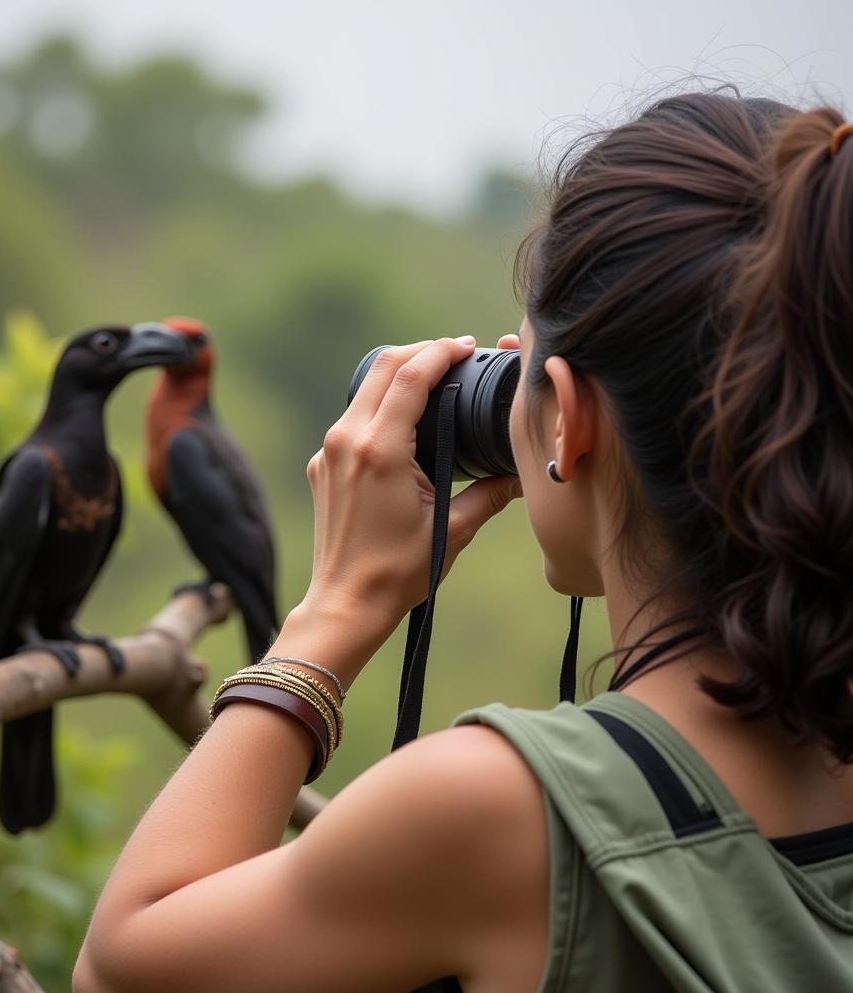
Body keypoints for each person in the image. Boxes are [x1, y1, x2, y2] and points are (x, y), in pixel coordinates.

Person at [73, 91, 853, 992]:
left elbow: (119, 971)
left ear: (564, 418)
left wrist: (338, 608)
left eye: (520, 371)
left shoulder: (500, 813)